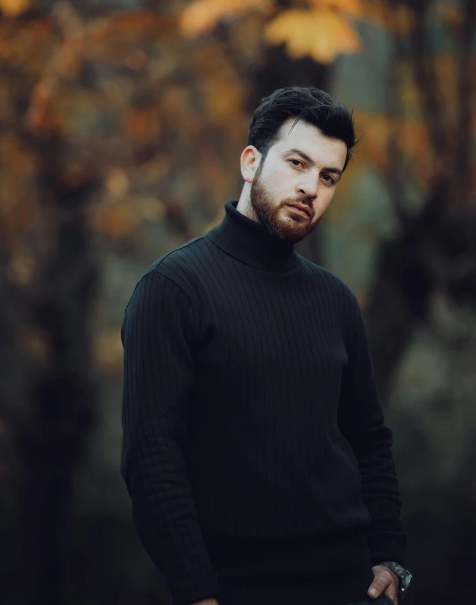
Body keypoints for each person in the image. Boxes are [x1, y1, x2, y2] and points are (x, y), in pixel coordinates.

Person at [120, 87, 412, 605]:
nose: (310, 188)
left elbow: (368, 437)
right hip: (237, 586)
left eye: (328, 177)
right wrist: (195, 591)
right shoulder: (173, 289)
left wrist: (389, 555)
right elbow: (152, 456)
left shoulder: (335, 301)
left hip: (348, 583)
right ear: (251, 162)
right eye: (297, 163)